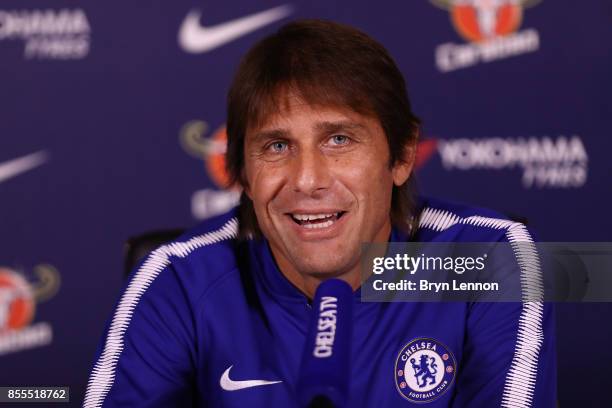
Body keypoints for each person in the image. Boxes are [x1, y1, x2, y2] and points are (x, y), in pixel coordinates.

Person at [84, 20, 555, 407]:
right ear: (244, 173)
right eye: (277, 146)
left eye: (339, 140)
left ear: (402, 155)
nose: (308, 180)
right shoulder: (176, 279)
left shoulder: (494, 261)